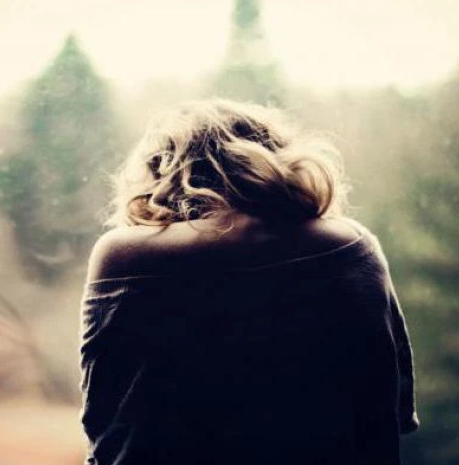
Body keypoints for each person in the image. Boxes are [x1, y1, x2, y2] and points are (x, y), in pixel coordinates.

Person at [79, 99, 419, 465]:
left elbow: (104, 423)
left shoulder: (126, 257)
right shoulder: (350, 247)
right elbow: (388, 413)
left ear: (162, 173)